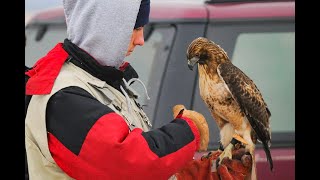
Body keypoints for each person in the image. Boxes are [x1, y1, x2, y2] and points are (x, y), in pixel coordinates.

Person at [25, 0, 251, 179]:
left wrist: (200, 174)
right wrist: (187, 131)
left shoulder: (104, 84)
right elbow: (126, 163)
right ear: (105, 26)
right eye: (134, 28)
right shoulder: (64, 97)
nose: (141, 40)